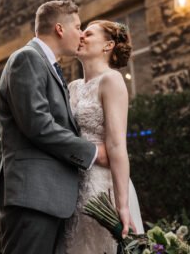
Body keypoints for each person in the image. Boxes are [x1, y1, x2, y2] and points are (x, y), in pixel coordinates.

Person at [0, 0, 108, 254]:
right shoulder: (27, 58)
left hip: (48, 197)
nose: (81, 33)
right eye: (77, 27)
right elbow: (38, 125)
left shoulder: (48, 65)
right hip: (32, 196)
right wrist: (93, 152)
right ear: (59, 29)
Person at [62, 20, 144, 254]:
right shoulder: (73, 87)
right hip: (73, 185)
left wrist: (122, 205)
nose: (81, 37)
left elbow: (117, 146)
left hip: (102, 186)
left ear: (108, 45)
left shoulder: (112, 80)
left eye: (88, 34)